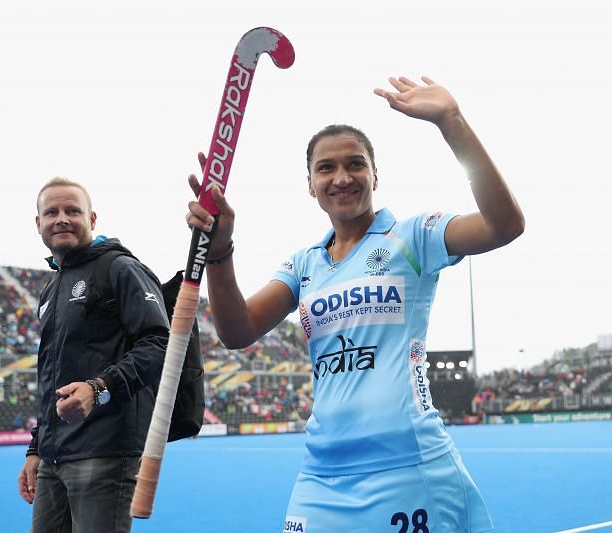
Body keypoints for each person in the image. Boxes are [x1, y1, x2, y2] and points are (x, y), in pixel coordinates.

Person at [186, 76, 525, 532]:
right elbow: (237, 330)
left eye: (355, 165)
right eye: (326, 168)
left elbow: (503, 225)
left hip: (407, 468)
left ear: (375, 175)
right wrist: (221, 251)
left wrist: (451, 122)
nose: (341, 178)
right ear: (310, 184)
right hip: (321, 476)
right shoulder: (303, 264)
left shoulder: (413, 235)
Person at [17, 177, 169, 532]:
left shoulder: (120, 269)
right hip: (55, 457)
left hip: (106, 452)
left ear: (93, 219)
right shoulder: (51, 288)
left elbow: (161, 345)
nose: (62, 218)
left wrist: (99, 387)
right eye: (51, 212)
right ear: (38, 223)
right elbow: (52, 375)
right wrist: (36, 449)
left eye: (73, 210)